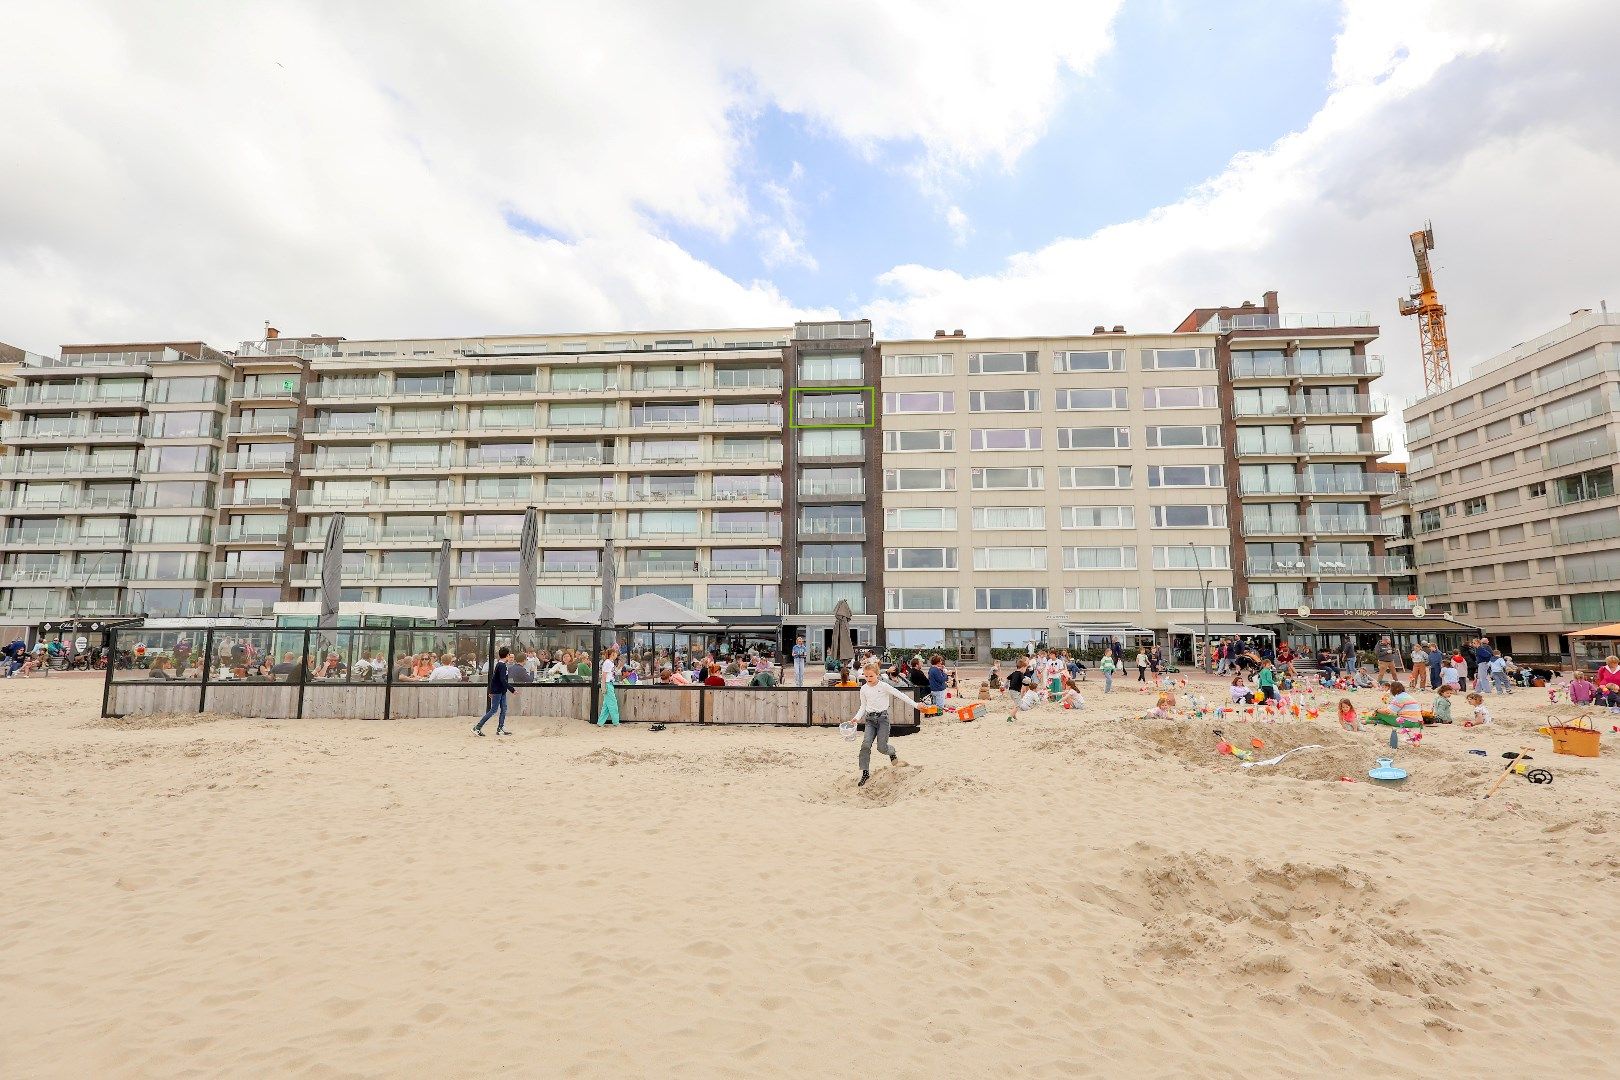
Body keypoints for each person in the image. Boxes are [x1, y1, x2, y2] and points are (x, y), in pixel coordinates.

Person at [850, 661, 920, 787]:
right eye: (866, 676)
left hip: (883, 719)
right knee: (865, 745)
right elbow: (863, 706)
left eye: (871, 676)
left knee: (882, 748)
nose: (868, 679)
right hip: (870, 720)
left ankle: (892, 752)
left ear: (877, 674)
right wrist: (856, 718)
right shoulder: (864, 688)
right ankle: (865, 772)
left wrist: (916, 705)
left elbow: (901, 695)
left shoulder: (884, 686)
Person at [473, 646, 517, 736]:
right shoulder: (501, 666)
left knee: (504, 709)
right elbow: (502, 680)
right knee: (493, 710)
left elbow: (494, 679)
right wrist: (512, 689)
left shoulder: (500, 665)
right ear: (507, 655)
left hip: (501, 691)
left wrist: (491, 690)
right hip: (498, 691)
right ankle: (477, 727)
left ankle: (500, 728)